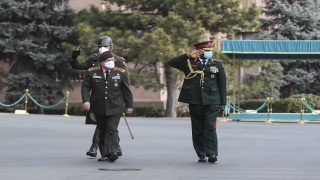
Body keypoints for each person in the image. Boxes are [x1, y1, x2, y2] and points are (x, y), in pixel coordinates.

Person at [167, 41, 226, 163]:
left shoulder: (217, 65)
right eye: (206, 50)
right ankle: (201, 153)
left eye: (210, 50)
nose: (210, 52)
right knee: (198, 127)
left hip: (212, 100)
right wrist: (188, 55)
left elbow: (222, 84)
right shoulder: (189, 63)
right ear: (199, 52)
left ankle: (212, 153)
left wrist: (223, 102)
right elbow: (171, 62)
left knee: (210, 126)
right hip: (195, 100)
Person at [69, 36, 127, 157]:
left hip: (113, 98)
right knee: (105, 124)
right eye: (100, 46)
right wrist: (74, 57)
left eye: (105, 46)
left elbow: (125, 81)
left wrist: (124, 100)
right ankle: (114, 145)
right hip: (98, 97)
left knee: (109, 124)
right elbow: (78, 66)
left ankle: (97, 145)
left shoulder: (119, 60)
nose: (102, 49)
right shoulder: (93, 59)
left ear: (112, 47)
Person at [81, 51, 133, 162]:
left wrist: (129, 105)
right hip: (98, 106)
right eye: (108, 61)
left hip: (115, 106)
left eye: (112, 60)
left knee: (112, 129)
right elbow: (85, 88)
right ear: (102, 63)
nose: (111, 62)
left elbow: (126, 90)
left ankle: (113, 151)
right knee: (103, 129)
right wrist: (86, 101)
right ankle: (105, 153)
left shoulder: (120, 73)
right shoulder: (91, 73)